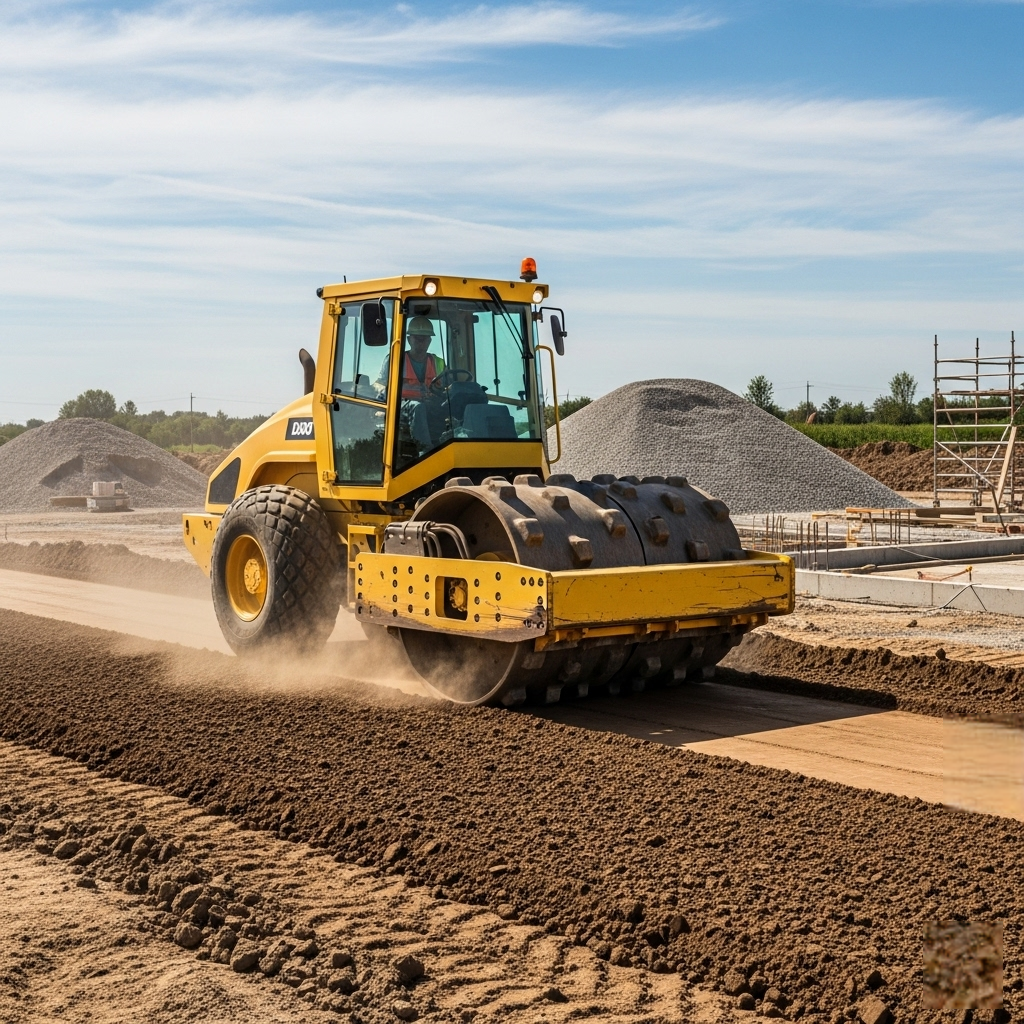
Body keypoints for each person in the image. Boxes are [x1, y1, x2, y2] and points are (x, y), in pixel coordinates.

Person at [375, 316, 446, 449]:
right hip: (401, 406)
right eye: (417, 338)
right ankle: (425, 449)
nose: (421, 341)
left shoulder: (438, 363)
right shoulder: (395, 360)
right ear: (408, 339)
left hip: (430, 406)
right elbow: (381, 385)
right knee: (418, 407)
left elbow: (447, 388)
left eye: (424, 338)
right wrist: (380, 406)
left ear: (430, 340)